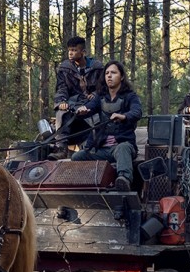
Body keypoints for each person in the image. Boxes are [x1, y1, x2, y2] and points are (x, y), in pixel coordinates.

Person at [72, 61, 142, 192]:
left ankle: (124, 180)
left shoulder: (130, 96)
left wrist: (124, 116)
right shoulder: (100, 97)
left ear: (121, 77)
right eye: (107, 73)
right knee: (77, 157)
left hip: (122, 147)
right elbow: (90, 107)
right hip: (102, 149)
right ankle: (84, 185)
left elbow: (137, 112)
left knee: (122, 148)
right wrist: (83, 110)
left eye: (113, 73)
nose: (109, 76)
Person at [53, 36, 104, 141]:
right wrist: (62, 101)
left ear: (83, 52)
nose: (70, 53)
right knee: (61, 113)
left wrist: (95, 93)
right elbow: (61, 88)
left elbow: (103, 86)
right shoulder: (65, 68)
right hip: (73, 103)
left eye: (74, 50)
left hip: (92, 102)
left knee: (102, 113)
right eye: (69, 50)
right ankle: (61, 147)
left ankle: (98, 143)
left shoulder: (97, 67)